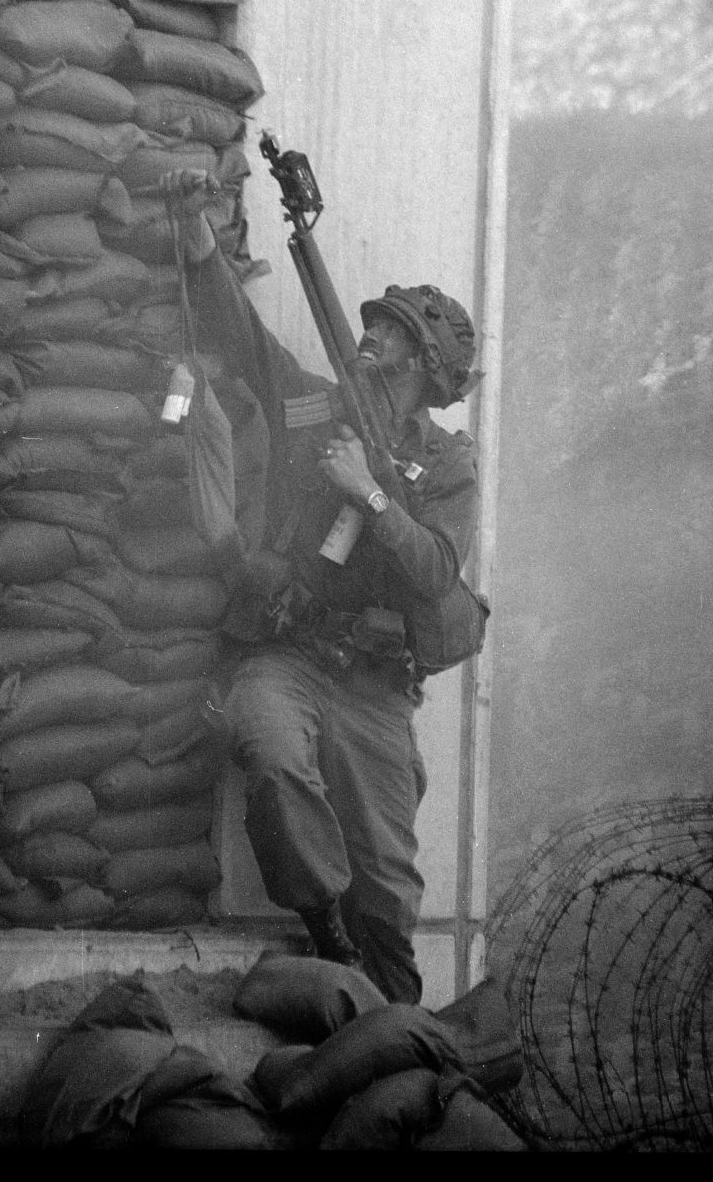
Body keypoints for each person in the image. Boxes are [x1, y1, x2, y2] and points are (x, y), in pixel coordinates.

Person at [174, 174, 484, 1004]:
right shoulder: (313, 404)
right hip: (290, 654)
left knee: (387, 884)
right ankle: (323, 926)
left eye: (389, 335)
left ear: (425, 367)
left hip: (378, 687)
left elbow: (434, 572)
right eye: (370, 326)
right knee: (270, 752)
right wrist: (198, 238)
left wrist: (371, 494)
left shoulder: (450, 464)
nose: (369, 339)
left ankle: (394, 1021)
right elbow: (244, 343)